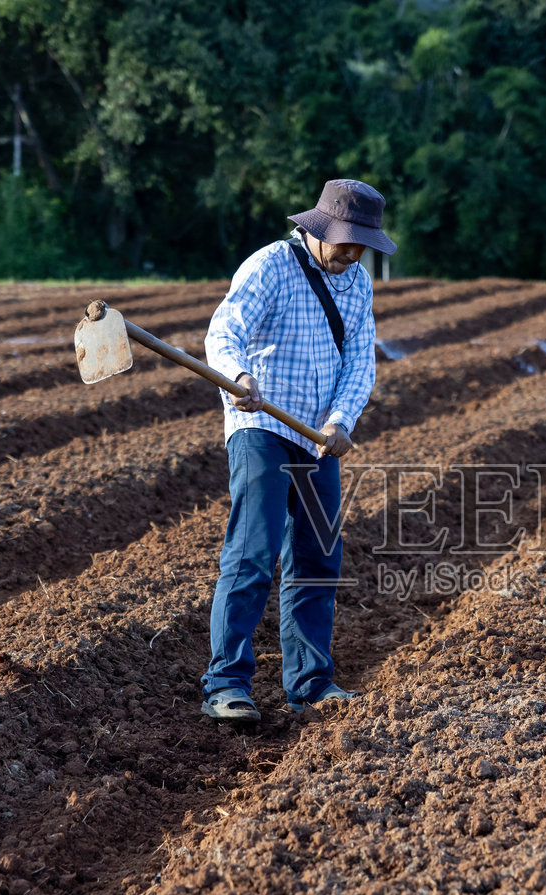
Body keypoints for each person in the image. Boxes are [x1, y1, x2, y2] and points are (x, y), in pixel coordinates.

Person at [198, 179, 395, 725]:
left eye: (363, 244)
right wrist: (239, 377)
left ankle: (309, 684)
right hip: (260, 425)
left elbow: (360, 360)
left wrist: (340, 421)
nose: (354, 253)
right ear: (320, 229)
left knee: (317, 559)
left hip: (317, 438)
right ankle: (226, 684)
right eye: (347, 241)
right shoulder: (269, 267)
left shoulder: (356, 283)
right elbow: (223, 334)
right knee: (253, 551)